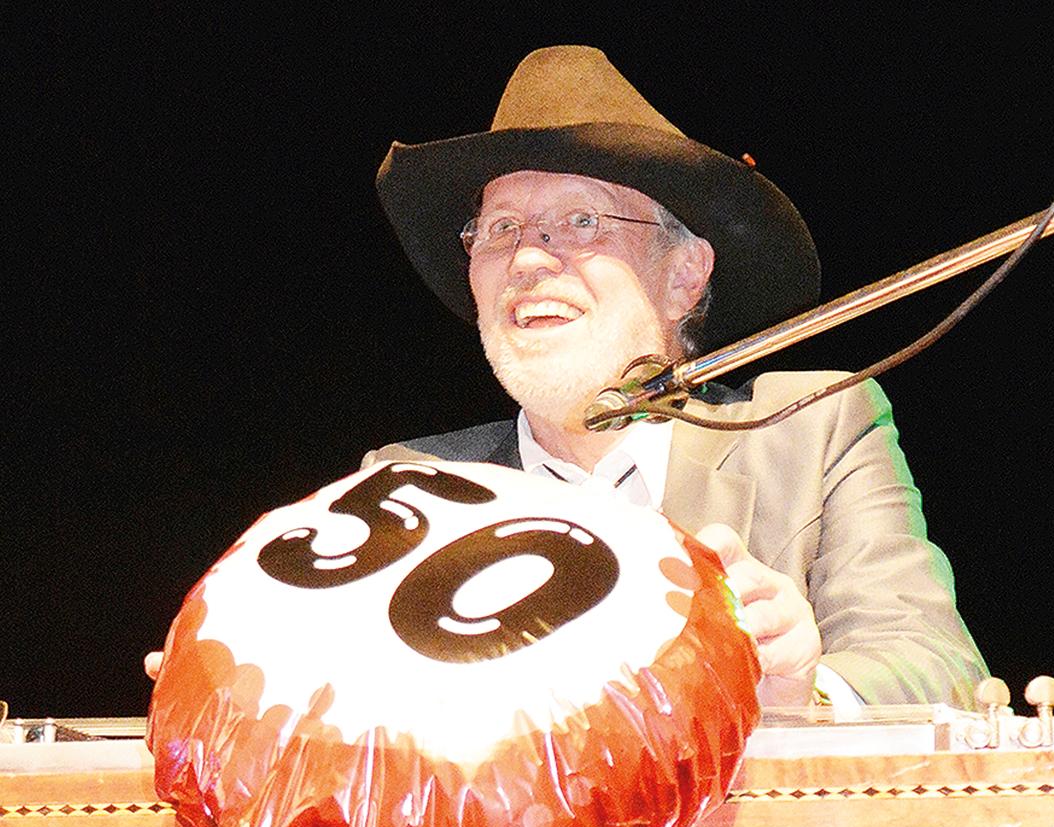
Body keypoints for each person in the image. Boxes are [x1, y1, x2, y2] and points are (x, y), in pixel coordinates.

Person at [366, 45, 987, 709]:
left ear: (684, 275)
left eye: (581, 221)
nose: (527, 259)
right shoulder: (411, 486)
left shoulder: (814, 430)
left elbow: (934, 662)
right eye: (501, 227)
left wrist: (805, 694)